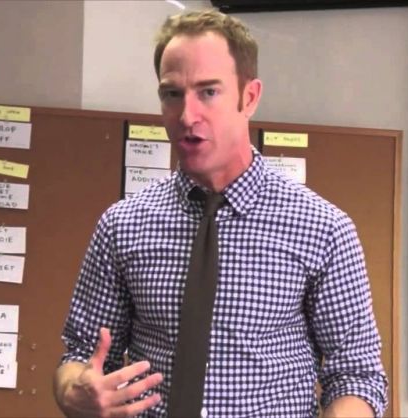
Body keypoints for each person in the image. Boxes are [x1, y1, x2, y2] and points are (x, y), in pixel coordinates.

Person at [53, 8, 387, 418]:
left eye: (208, 92)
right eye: (172, 94)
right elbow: (79, 356)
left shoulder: (323, 229)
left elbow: (357, 376)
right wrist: (75, 392)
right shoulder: (122, 226)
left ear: (250, 97)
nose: (187, 116)